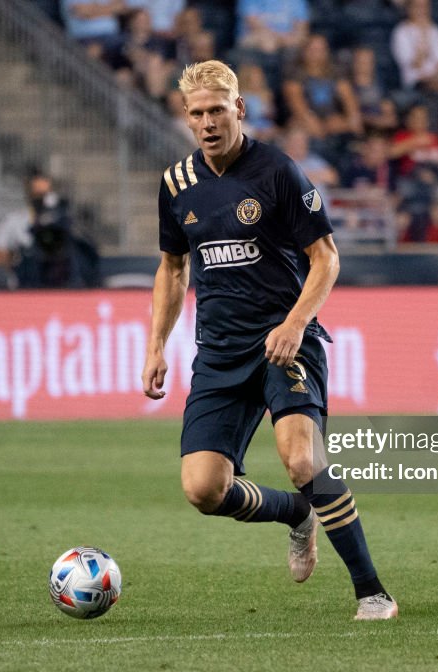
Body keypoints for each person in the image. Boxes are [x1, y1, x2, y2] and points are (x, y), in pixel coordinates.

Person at [144, 60, 397, 620]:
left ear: (239, 109)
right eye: (196, 114)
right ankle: (295, 516)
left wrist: (295, 323)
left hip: (285, 341)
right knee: (203, 489)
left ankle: (372, 592)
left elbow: (326, 258)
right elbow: (171, 267)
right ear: (186, 119)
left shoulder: (278, 172)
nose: (208, 122)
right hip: (220, 351)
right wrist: (157, 345)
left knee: (302, 459)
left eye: (217, 110)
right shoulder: (176, 184)